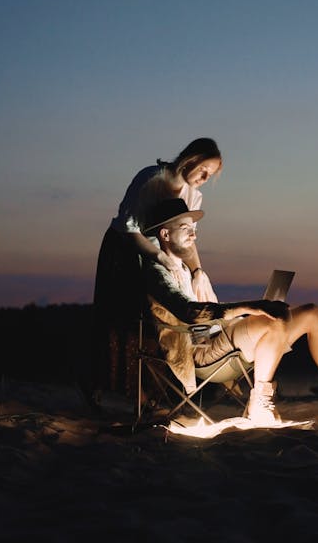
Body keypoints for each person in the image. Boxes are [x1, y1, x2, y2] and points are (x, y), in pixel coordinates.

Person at [140, 198, 318, 425]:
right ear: (165, 234)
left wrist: (250, 311)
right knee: (275, 317)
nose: (194, 235)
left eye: (194, 229)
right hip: (199, 351)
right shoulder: (157, 271)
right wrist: (251, 307)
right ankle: (259, 403)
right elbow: (188, 312)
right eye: (186, 229)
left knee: (311, 314)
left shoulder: (185, 269)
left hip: (219, 336)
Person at [90, 138, 222, 400]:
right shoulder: (151, 178)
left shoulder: (193, 195)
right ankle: (110, 390)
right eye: (204, 171)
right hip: (125, 249)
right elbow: (129, 228)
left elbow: (188, 236)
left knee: (160, 320)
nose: (205, 179)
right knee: (124, 319)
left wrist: (197, 271)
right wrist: (161, 258)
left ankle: (152, 393)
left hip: (164, 253)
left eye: (211, 175)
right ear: (191, 159)